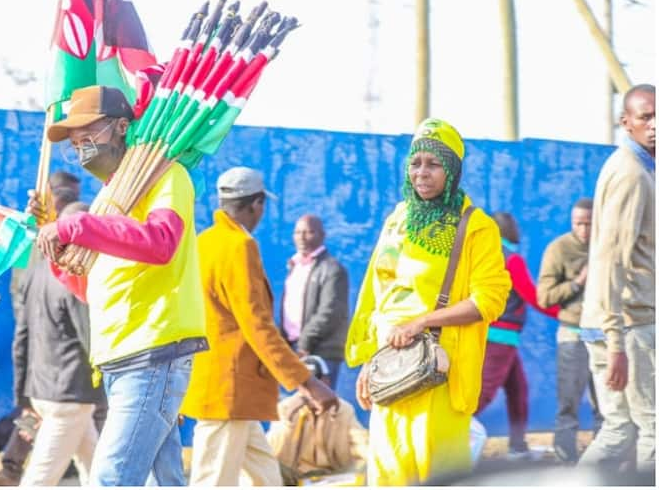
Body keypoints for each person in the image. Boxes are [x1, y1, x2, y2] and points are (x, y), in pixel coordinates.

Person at [30, 85, 207, 486]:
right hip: (120, 356)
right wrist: (55, 248)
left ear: (123, 127)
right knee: (161, 482)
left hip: (152, 351)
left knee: (110, 480)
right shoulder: (109, 199)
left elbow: (161, 243)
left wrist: (76, 225)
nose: (81, 149)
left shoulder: (167, 176)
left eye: (89, 136)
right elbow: (92, 289)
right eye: (74, 143)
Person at [344, 118, 511, 485]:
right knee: (387, 474)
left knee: (436, 475)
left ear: (452, 170)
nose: (422, 173)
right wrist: (371, 359)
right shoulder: (399, 218)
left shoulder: (476, 226)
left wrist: (420, 322)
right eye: (415, 163)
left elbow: (490, 299)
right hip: (392, 367)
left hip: (439, 370)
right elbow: (376, 293)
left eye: (434, 164)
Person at [181, 167, 338, 486]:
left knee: (266, 477)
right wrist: (306, 382)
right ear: (256, 205)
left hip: (220, 383)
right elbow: (257, 325)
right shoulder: (239, 246)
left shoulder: (206, 241)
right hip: (231, 388)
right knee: (214, 481)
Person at [0, 171, 81, 484]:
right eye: (68, 198)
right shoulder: (40, 238)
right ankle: (9, 460)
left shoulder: (42, 235)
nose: (73, 205)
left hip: (43, 333)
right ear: (54, 198)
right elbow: (29, 291)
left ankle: (8, 460)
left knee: (54, 410)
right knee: (48, 407)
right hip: (51, 335)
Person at [578, 84, 655, 473]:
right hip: (628, 326)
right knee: (651, 429)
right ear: (626, 123)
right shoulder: (632, 173)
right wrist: (616, 343)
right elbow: (610, 260)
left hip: (620, 322)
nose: (655, 125)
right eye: (645, 117)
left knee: (621, 429)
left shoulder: (638, 167)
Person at [4, 201, 105, 486]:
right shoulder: (75, 277)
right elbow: (90, 337)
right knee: (41, 476)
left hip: (44, 388)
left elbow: (21, 336)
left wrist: (22, 394)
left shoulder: (36, 273)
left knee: (93, 462)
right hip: (69, 394)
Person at [475, 212, 560, 459]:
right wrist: (564, 314)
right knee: (483, 394)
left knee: (518, 389)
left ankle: (518, 446)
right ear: (511, 231)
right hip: (502, 337)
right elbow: (533, 296)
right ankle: (449, 434)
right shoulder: (511, 260)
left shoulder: (485, 257)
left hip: (488, 334)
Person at [537, 197, 604, 463]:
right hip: (573, 334)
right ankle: (565, 464)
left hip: (605, 335)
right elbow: (544, 297)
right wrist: (578, 282)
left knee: (607, 407)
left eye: (589, 224)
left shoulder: (606, 245)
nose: (584, 230)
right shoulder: (559, 249)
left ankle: (603, 465)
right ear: (571, 222)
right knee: (568, 404)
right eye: (579, 224)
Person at [281, 214, 350, 388]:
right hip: (293, 349)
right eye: (298, 232)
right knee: (294, 411)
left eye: (309, 232)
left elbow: (330, 312)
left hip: (320, 352)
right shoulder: (294, 266)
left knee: (318, 408)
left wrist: (304, 344)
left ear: (322, 235)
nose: (302, 237)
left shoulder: (333, 269)